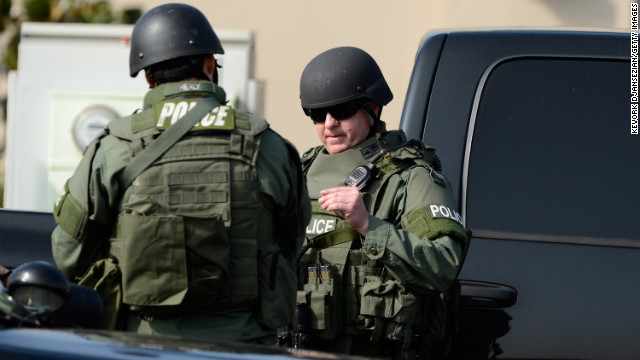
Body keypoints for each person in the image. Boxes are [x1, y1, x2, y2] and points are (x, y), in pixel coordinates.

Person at [51, 3, 310, 344]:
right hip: (245, 344)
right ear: (208, 65)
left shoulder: (114, 146)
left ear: (148, 76)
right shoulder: (269, 145)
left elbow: (68, 254)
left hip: (139, 346)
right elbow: (292, 241)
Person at [295, 46, 470, 359]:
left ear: (372, 107)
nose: (330, 123)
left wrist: (368, 226)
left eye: (343, 109)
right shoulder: (301, 170)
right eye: (318, 114)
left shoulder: (410, 176)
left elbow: (443, 265)